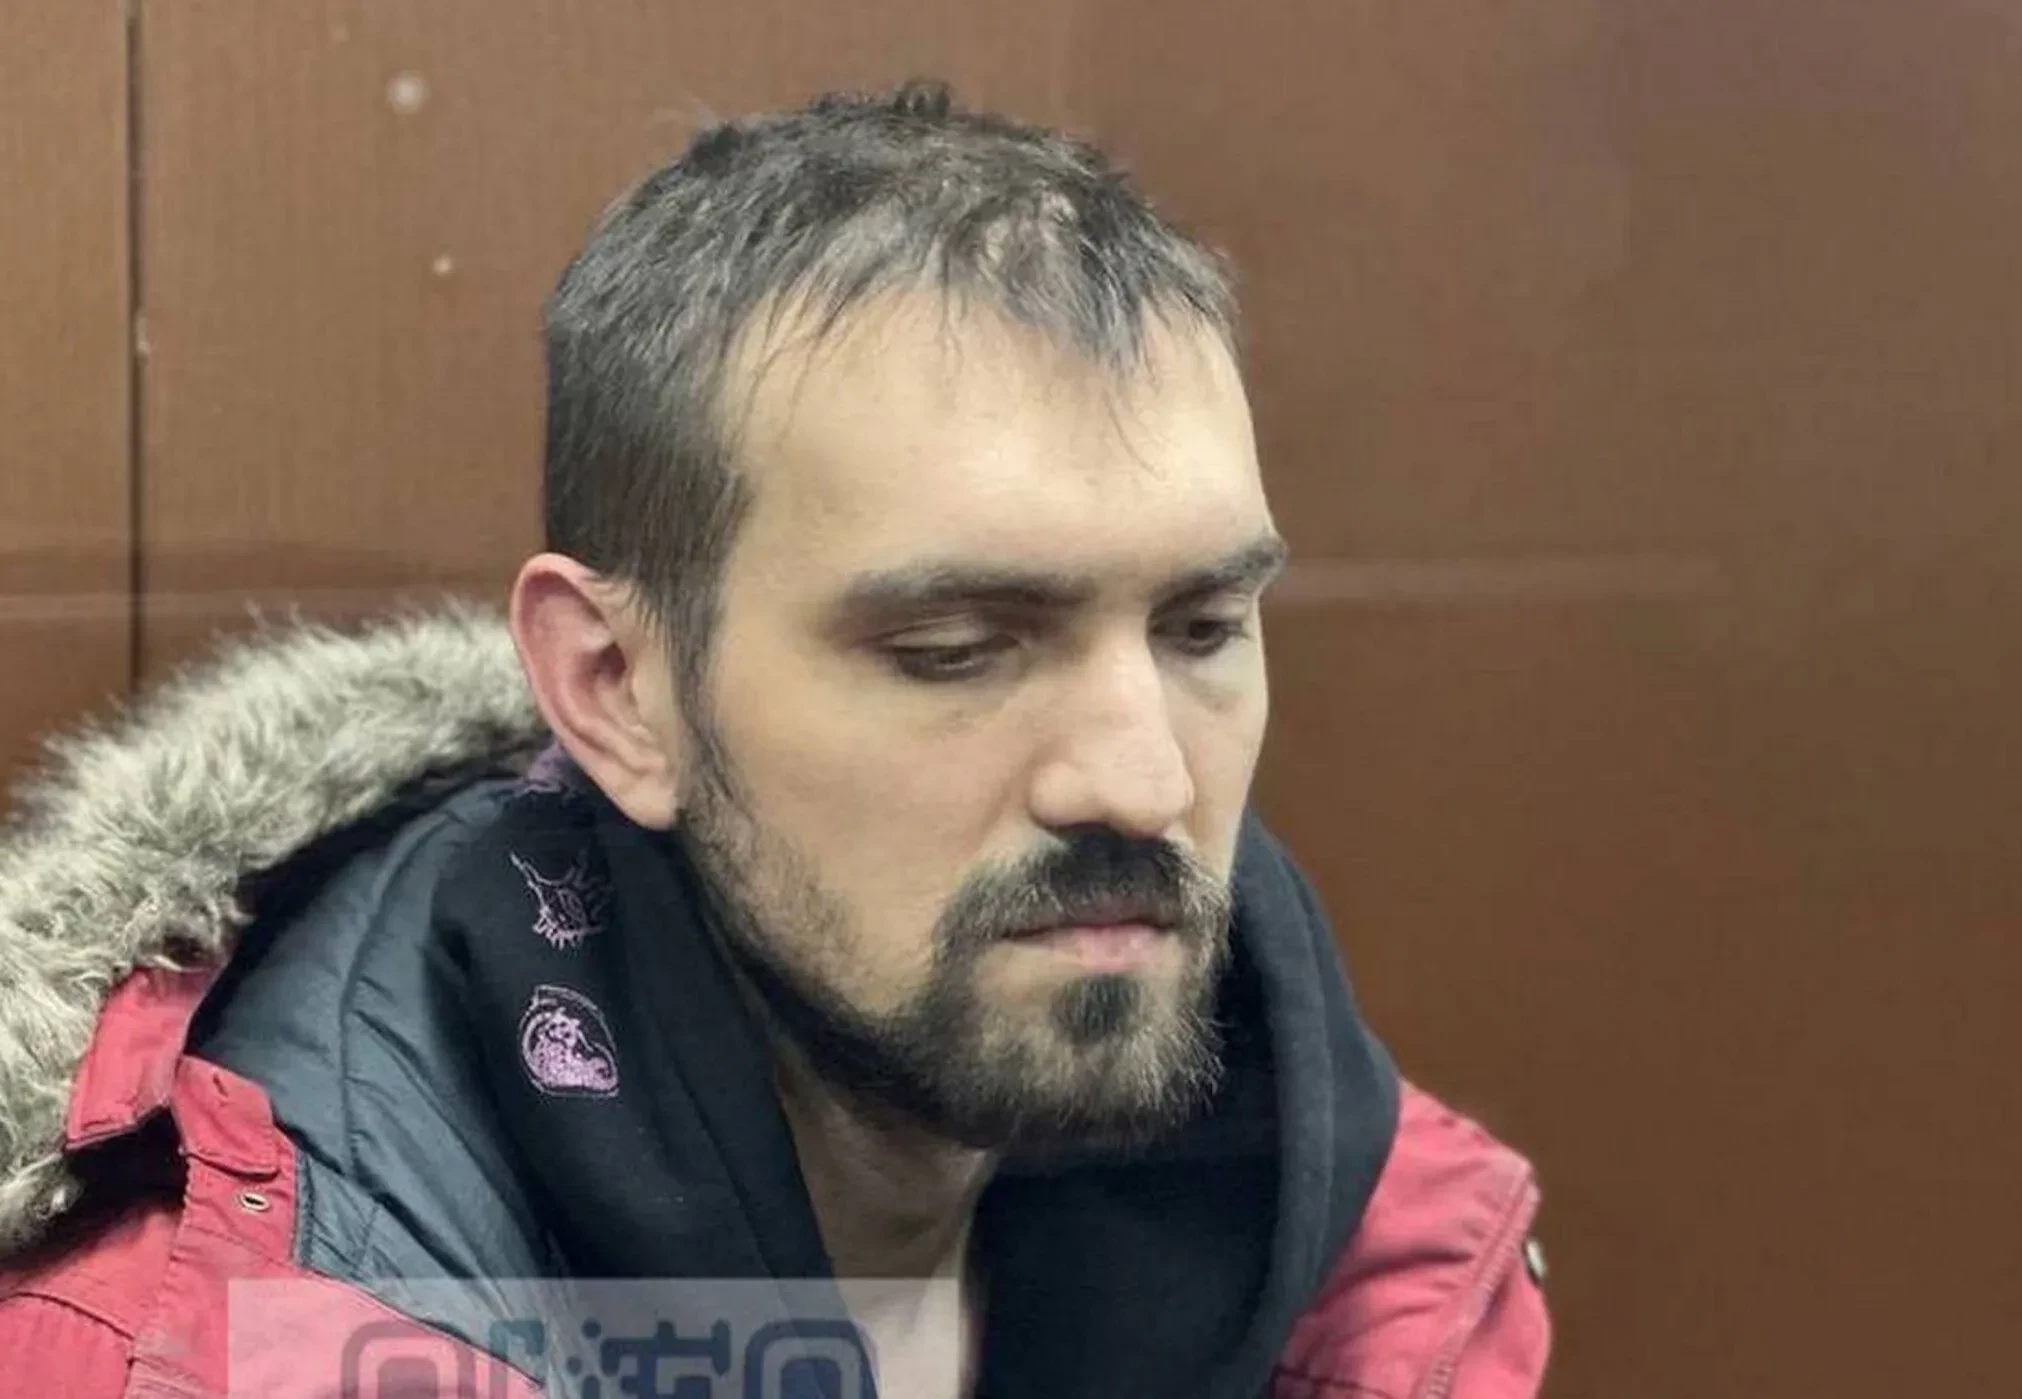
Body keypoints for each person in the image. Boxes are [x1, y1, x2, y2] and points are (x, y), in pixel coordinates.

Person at [0, 82, 1549, 1397]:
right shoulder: (223, 1341)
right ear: (616, 686)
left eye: (1201, 628)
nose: (1142, 781)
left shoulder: (1368, 1251)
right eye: (954, 650)